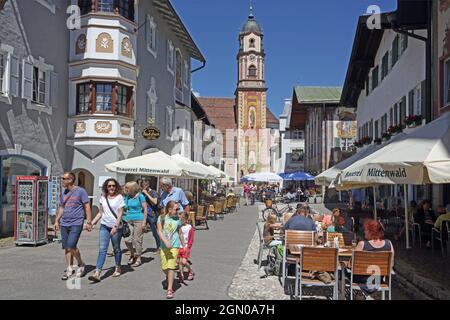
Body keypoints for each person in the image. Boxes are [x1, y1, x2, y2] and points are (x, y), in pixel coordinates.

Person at [54, 172, 92, 280]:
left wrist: (88, 221)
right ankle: (69, 268)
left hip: (76, 222)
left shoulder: (81, 191)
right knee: (66, 247)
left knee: (71, 245)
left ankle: (80, 264)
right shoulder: (64, 192)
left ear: (70, 180)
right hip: (64, 222)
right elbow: (61, 207)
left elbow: (87, 206)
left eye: (64, 178)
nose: (62, 180)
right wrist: (57, 221)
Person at [89, 179, 124, 283]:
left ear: (116, 186)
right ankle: (97, 272)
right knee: (102, 249)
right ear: (106, 187)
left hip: (115, 227)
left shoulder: (119, 198)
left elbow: (120, 214)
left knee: (116, 248)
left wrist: (116, 226)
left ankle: (118, 267)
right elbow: (101, 212)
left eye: (113, 186)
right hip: (104, 226)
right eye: (109, 186)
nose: (111, 188)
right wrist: (92, 223)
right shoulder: (103, 198)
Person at [350, 219, 395, 296]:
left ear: (371, 232)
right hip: (378, 280)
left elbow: (351, 265)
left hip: (362, 280)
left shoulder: (362, 244)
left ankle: (355, 295)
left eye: (366, 230)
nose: (364, 231)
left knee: (343, 271)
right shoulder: (389, 244)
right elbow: (391, 264)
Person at [157, 201, 184, 299]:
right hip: (164, 246)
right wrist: (165, 242)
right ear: (169, 209)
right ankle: (168, 277)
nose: (178, 211)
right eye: (176, 209)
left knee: (171, 266)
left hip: (175, 245)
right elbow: (159, 231)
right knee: (165, 267)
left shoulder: (178, 219)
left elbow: (180, 232)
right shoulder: (161, 218)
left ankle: (170, 289)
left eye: (178, 209)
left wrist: (183, 245)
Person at [123, 181, 147, 267]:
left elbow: (145, 209)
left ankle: (138, 257)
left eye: (127, 188)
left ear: (132, 188)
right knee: (127, 239)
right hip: (129, 220)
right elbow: (124, 207)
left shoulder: (140, 196)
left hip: (139, 220)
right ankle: (132, 254)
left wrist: (144, 221)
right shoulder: (127, 197)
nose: (125, 189)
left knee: (137, 240)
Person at [142, 180, 161, 255]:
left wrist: (146, 193)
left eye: (145, 185)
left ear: (148, 185)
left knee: (155, 233)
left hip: (152, 214)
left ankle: (159, 247)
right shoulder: (141, 193)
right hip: (143, 214)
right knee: (139, 232)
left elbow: (155, 202)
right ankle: (137, 249)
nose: (144, 186)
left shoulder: (154, 192)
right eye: (143, 185)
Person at [178, 212, 195, 283]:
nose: (180, 220)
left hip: (186, 246)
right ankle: (181, 275)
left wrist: (188, 246)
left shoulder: (189, 227)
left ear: (185, 219)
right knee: (180, 262)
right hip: (178, 246)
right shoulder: (178, 227)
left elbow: (191, 238)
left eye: (181, 219)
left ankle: (190, 271)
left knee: (184, 262)